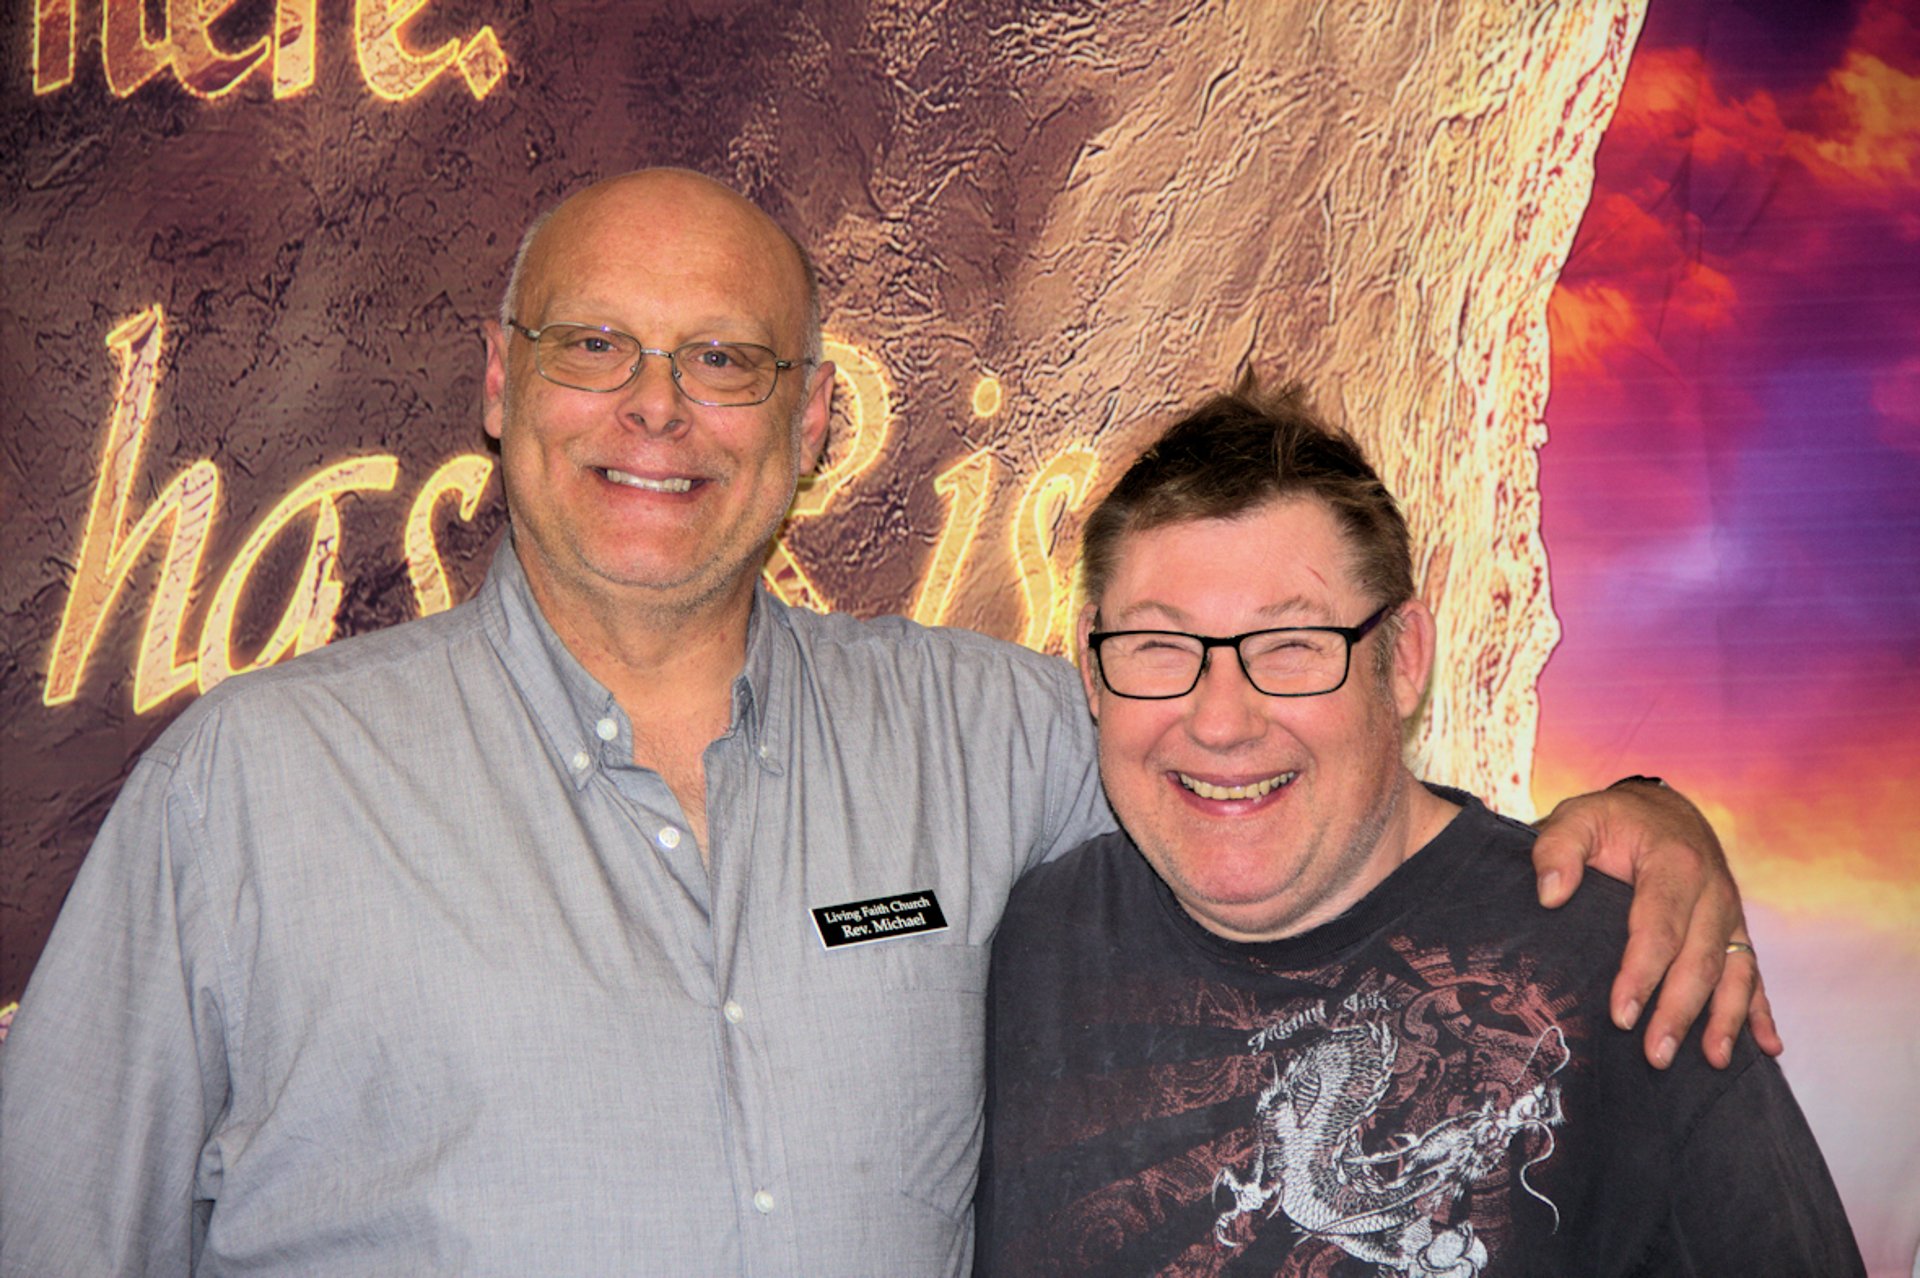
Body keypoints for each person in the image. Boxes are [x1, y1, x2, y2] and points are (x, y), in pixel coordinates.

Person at [0, 171, 1766, 1276]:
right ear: (499, 382)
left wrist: (1616, 829)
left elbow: (1269, 769)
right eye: (596, 345)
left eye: (728, 359)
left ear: (806, 416)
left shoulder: (983, 734)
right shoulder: (256, 782)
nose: (659, 412)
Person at [974, 382, 1861, 1276]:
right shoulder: (1007, 956)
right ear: (1091, 668)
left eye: (1291, 645)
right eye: (1160, 647)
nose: (1220, 722)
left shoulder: (1627, 967)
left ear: (1402, 661)